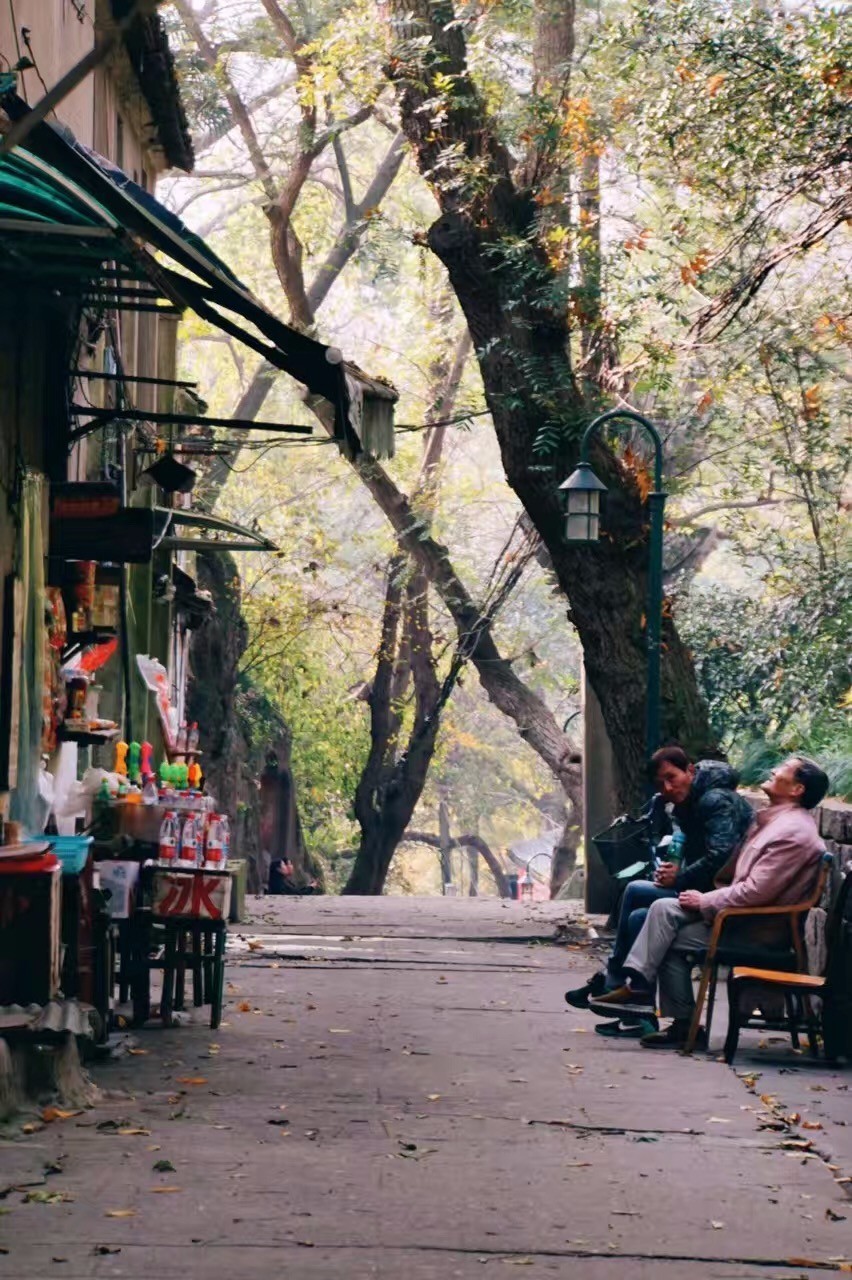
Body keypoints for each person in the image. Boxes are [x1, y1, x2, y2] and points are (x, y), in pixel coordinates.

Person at [591, 755, 829, 1048]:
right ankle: (644, 992)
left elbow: (755, 891)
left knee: (661, 927)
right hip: (737, 914)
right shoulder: (776, 822)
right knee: (659, 910)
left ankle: (664, 1008)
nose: (774, 770)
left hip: (751, 927)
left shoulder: (791, 832)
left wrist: (705, 899)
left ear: (797, 790)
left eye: (783, 770)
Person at [565, 746, 753, 1009]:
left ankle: (617, 983)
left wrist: (679, 878)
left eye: (671, 777)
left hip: (715, 894)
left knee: (640, 910)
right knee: (635, 891)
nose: (667, 788)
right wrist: (671, 871)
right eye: (660, 783)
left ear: (690, 770)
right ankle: (617, 982)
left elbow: (721, 855)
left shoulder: (716, 800)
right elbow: (694, 850)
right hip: (701, 888)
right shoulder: (687, 801)